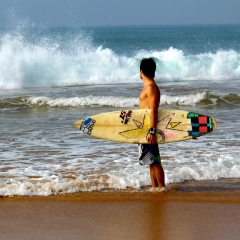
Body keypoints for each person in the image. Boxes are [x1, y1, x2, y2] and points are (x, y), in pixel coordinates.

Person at [138, 58, 166, 191]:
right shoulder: (148, 87)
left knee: (155, 161)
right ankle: (155, 188)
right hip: (146, 129)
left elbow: (153, 110)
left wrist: (152, 131)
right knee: (150, 161)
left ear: (141, 71)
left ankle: (161, 188)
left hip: (150, 129)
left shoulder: (151, 88)